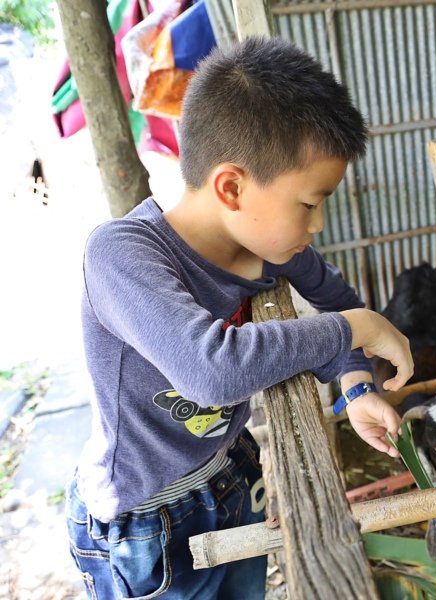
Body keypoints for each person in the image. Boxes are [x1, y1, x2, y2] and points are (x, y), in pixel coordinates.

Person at [64, 36, 413, 599]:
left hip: (230, 470)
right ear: (232, 186)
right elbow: (211, 371)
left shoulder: (274, 246)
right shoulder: (121, 255)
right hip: (145, 517)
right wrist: (360, 328)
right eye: (309, 203)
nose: (317, 225)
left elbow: (335, 304)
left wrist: (355, 386)